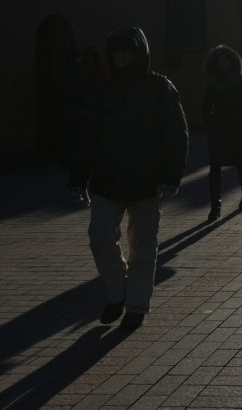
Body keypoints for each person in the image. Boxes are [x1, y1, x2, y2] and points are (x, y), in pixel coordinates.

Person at [67, 27, 188, 331]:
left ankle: (136, 306)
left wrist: (170, 177)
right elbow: (89, 135)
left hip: (148, 182)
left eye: (127, 52)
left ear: (138, 54)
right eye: (116, 52)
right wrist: (78, 177)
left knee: (143, 246)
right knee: (100, 237)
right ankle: (116, 290)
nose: (121, 58)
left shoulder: (160, 88)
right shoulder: (105, 90)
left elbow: (176, 135)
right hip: (108, 179)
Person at [202, 45, 242, 221]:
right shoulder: (213, 81)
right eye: (219, 60)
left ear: (232, 61)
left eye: (226, 59)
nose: (223, 63)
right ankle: (215, 205)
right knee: (215, 168)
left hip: (237, 129)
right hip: (218, 130)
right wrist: (210, 123)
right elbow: (205, 106)